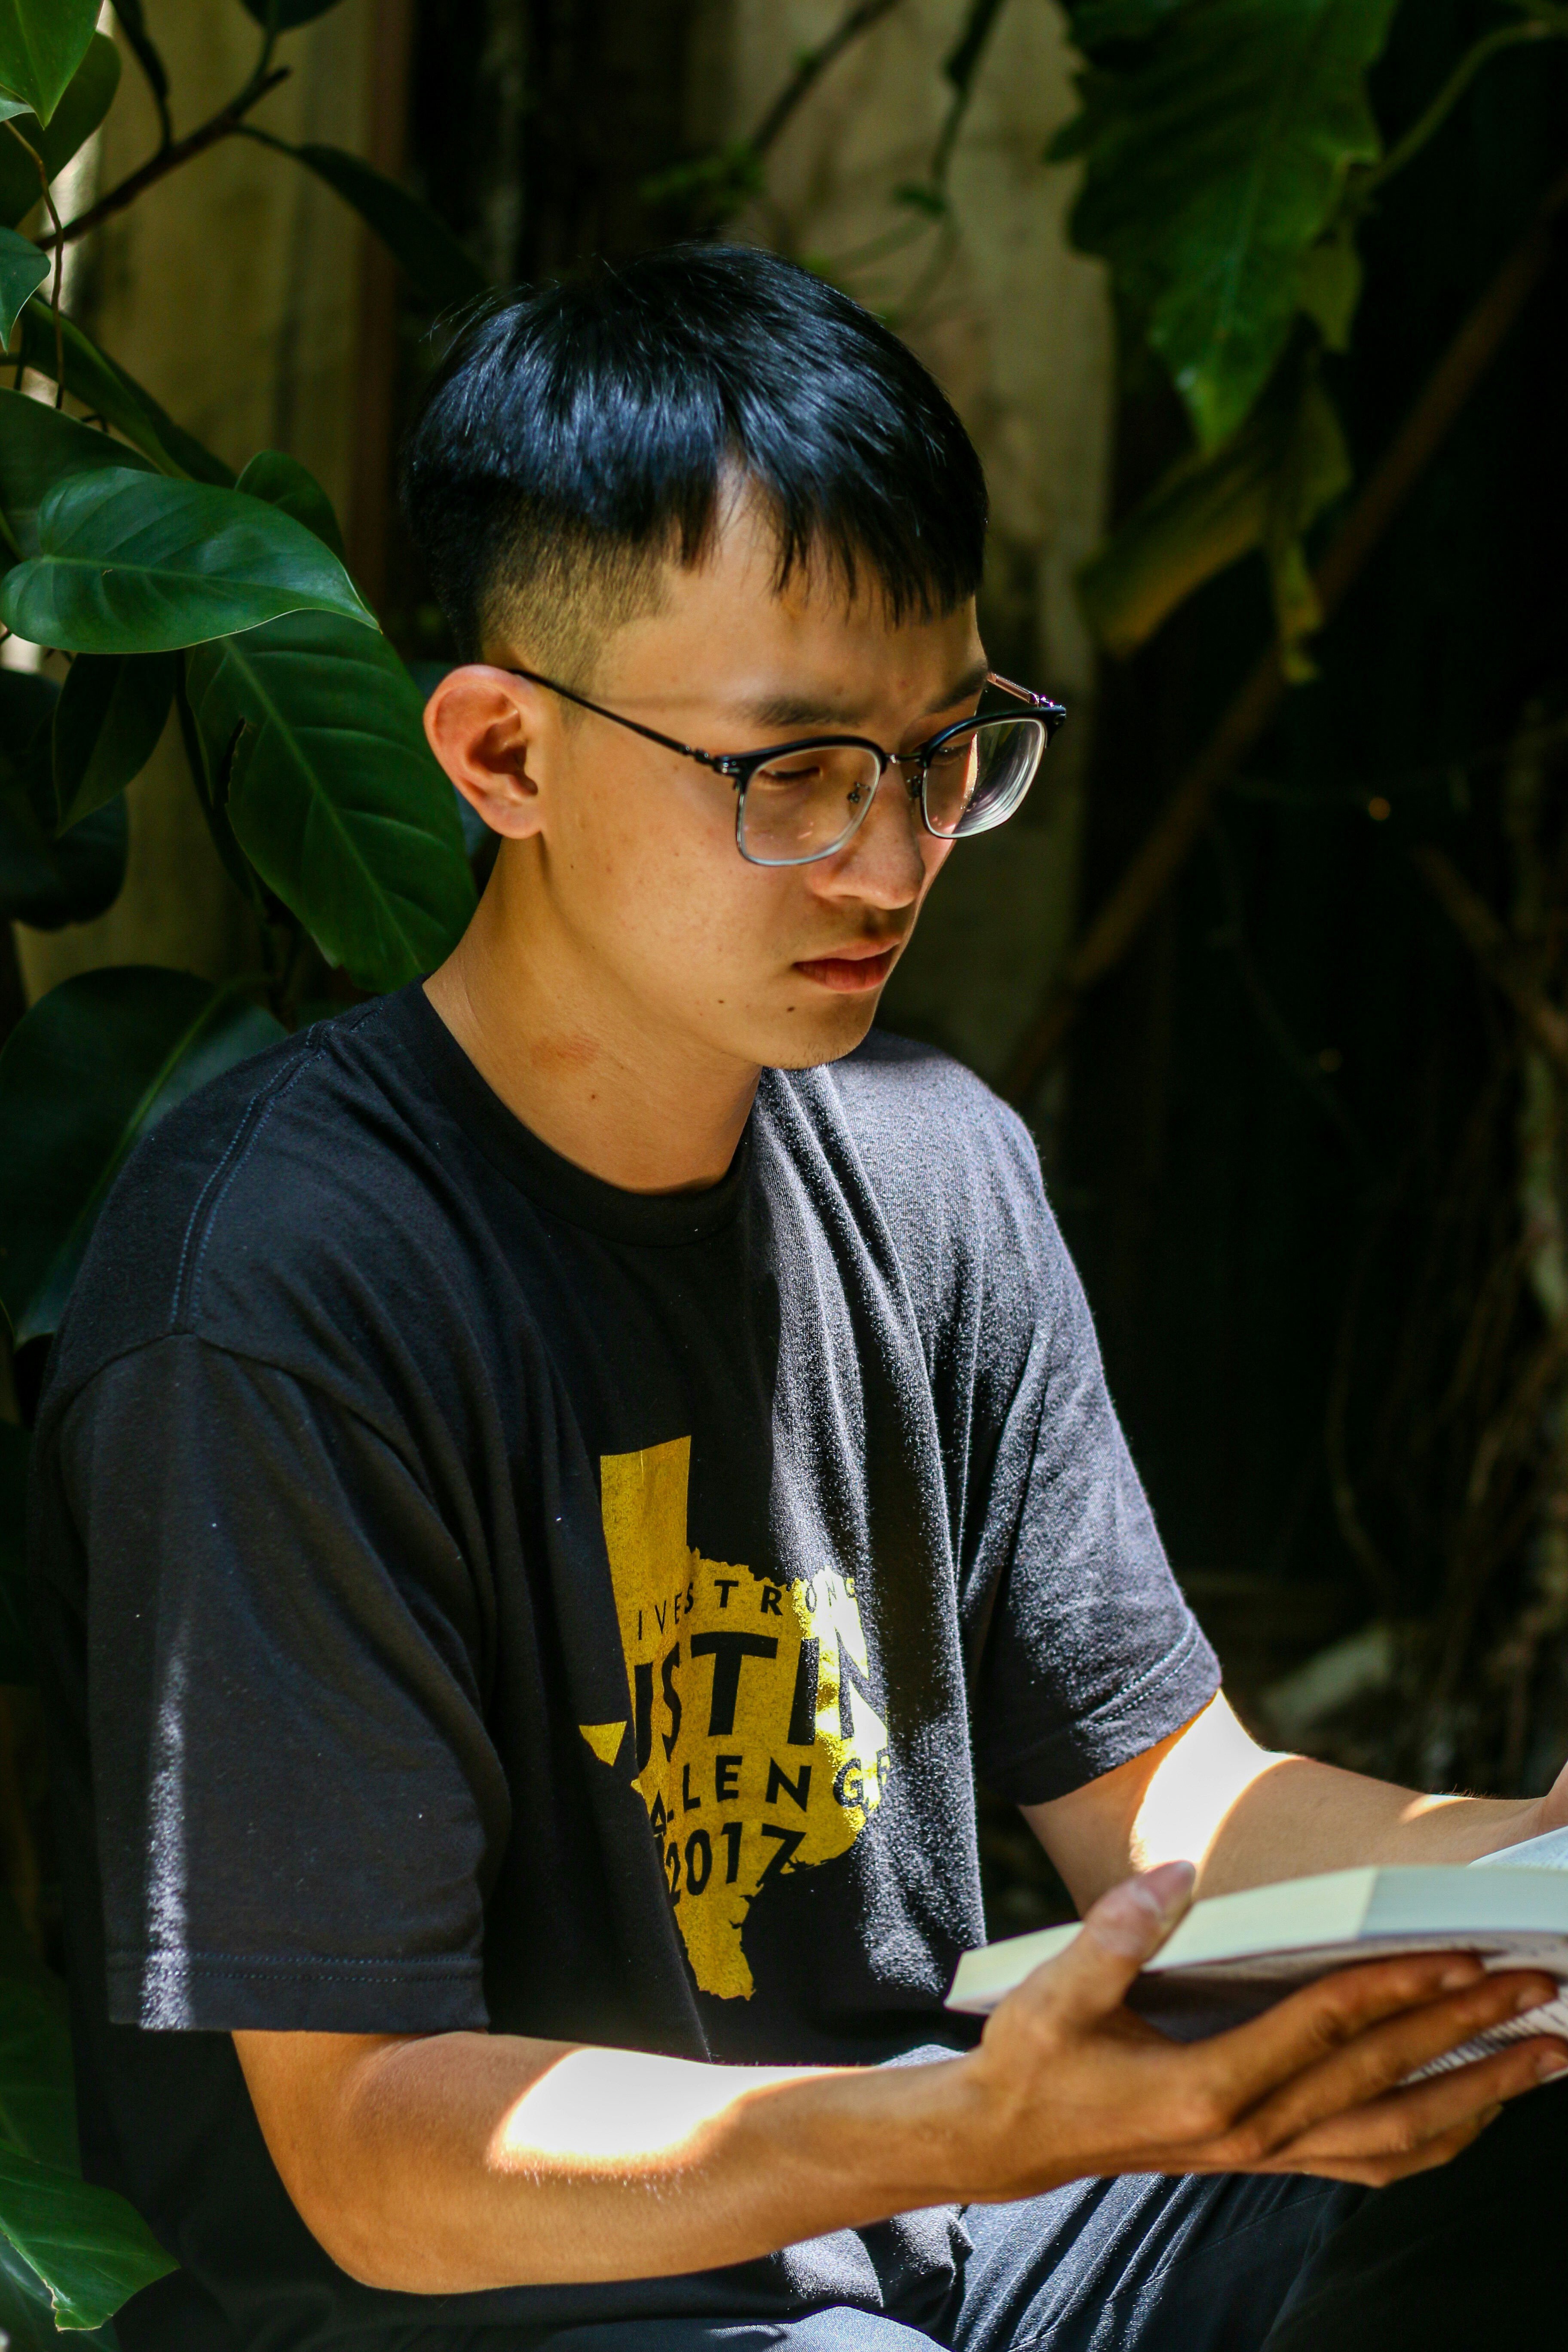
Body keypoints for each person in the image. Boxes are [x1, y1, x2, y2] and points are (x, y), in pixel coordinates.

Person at [30, 245, 1568, 2352]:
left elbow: (1176, 1807)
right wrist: (954, 2137)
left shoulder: (938, 1170)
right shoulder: (276, 1289)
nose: (894, 859)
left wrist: (1524, 1873)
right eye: (795, 771)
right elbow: (372, 2151)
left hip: (919, 2232)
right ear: (500, 755)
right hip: (488, 2307)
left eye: (944, 755)